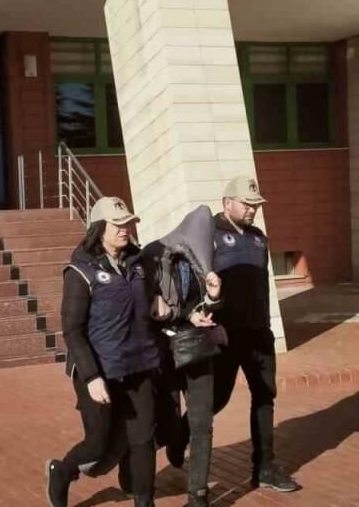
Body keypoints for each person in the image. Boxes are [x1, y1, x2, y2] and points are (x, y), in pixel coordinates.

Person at [47, 197, 163, 507]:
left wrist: (158, 301)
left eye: (128, 223)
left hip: (140, 364)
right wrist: (92, 377)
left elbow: (150, 296)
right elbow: (73, 330)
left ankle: (145, 501)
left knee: (143, 439)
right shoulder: (80, 271)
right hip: (100, 369)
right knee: (98, 444)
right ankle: (62, 471)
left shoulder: (139, 263)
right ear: (99, 229)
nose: (125, 229)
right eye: (118, 224)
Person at [210, 176, 301, 493]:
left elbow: (261, 287)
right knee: (215, 400)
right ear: (228, 203)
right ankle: (178, 436)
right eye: (247, 204)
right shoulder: (210, 235)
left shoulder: (259, 238)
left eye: (256, 205)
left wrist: (266, 326)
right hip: (225, 335)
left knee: (264, 397)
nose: (252, 210)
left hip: (258, 333)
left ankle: (264, 467)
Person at [137, 206, 224, 507]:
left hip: (197, 347)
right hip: (164, 350)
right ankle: (135, 474)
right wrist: (176, 310)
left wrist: (213, 299)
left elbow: (211, 307)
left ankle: (198, 494)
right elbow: (145, 306)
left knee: (202, 422)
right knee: (165, 422)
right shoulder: (153, 255)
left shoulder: (206, 261)